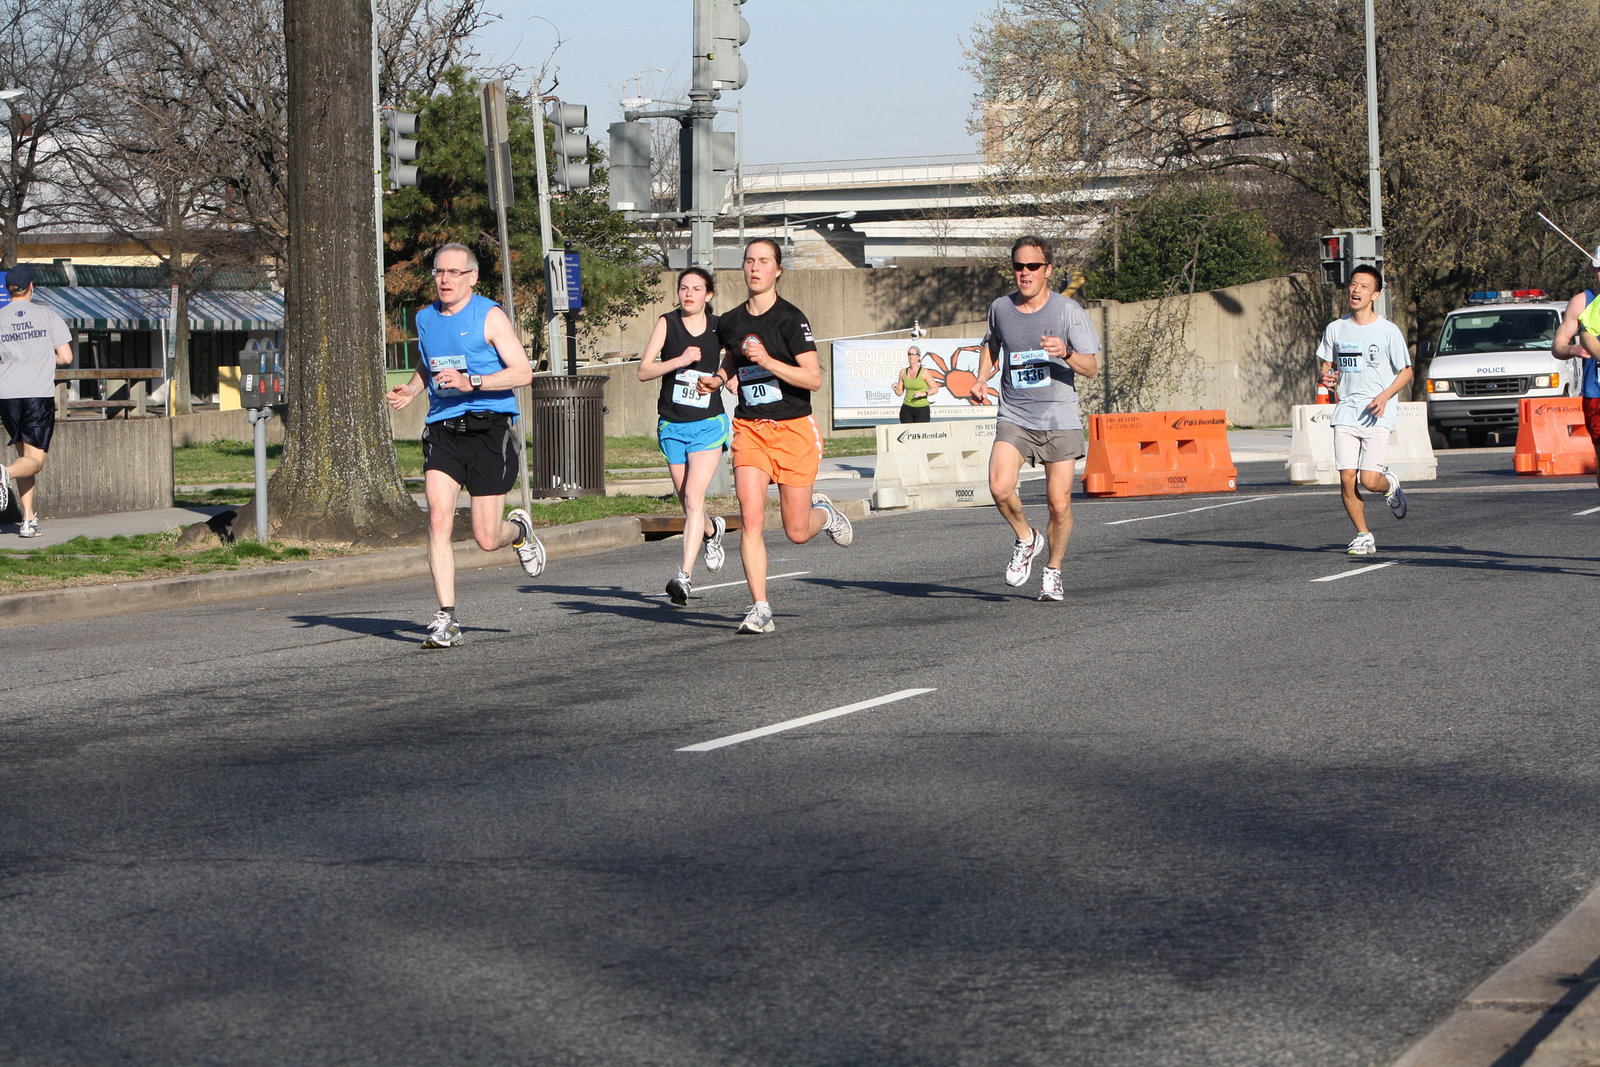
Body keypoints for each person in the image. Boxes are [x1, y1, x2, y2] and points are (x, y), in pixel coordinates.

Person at [385, 242, 544, 648]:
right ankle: (447, 618)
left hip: (489, 429)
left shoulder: (489, 316)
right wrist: (413, 390)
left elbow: (523, 373)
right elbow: (430, 361)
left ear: (472, 278)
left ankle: (520, 531)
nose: (444, 279)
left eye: (454, 272)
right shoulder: (425, 318)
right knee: (438, 518)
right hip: (443, 429)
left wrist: (472, 382)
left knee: (486, 538)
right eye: (439, 271)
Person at [700, 238, 852, 635]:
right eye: (749, 261)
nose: (755, 268)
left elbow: (814, 379)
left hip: (793, 429)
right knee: (750, 517)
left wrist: (767, 359)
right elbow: (732, 356)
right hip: (750, 429)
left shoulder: (790, 319)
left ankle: (828, 513)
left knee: (797, 532)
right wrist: (720, 378)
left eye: (764, 261)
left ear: (777, 270)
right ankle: (760, 607)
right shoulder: (730, 321)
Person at [970, 236, 1100, 602]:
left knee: (1059, 505)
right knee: (998, 487)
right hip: (1015, 415)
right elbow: (991, 344)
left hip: (1058, 416)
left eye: (1033, 267)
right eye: (1018, 266)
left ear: (1048, 270)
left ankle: (1053, 571)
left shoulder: (1067, 311)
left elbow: (1090, 367)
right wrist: (981, 378)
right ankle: (1027, 538)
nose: (1024, 273)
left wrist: (1067, 351)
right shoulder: (1000, 308)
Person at [636, 267, 729, 604]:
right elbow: (643, 371)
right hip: (673, 426)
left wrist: (722, 378)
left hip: (708, 423)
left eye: (697, 288)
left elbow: (731, 362)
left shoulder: (720, 326)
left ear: (709, 295)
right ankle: (712, 530)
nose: (689, 294)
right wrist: (678, 360)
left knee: (692, 497)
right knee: (689, 502)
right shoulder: (667, 323)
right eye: (684, 288)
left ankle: (684, 577)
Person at [1315, 263, 1412, 556]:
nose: (1356, 290)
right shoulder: (1336, 328)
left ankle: (1389, 485)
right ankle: (1363, 534)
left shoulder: (1388, 331)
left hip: (1377, 414)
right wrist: (1325, 377)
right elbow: (1326, 366)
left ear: (1375, 295)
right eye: (1353, 285)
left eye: (1364, 286)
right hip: (1346, 411)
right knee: (1346, 478)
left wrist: (1384, 396)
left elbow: (1406, 372)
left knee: (1369, 480)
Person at [0, 264, 75, 538]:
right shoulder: (47, 314)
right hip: (36, 395)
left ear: (9, 290)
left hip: (6, 396)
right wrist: (43, 357)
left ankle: (28, 520)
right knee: (37, 461)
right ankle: (4, 473)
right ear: (31, 286)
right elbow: (66, 357)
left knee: (26, 457)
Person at [1556, 247, 1600, 489]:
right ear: (1593, 270)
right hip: (1596, 393)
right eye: (1599, 269)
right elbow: (1558, 345)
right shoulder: (1582, 302)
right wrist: (1572, 350)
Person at [891, 345, 934, 423]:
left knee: (920, 433)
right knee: (906, 433)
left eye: (914, 354)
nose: (911, 356)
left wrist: (924, 393)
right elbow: (900, 392)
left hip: (922, 409)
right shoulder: (903, 372)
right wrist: (896, 388)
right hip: (907, 408)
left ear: (918, 357)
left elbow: (935, 388)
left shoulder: (924, 372)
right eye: (909, 354)